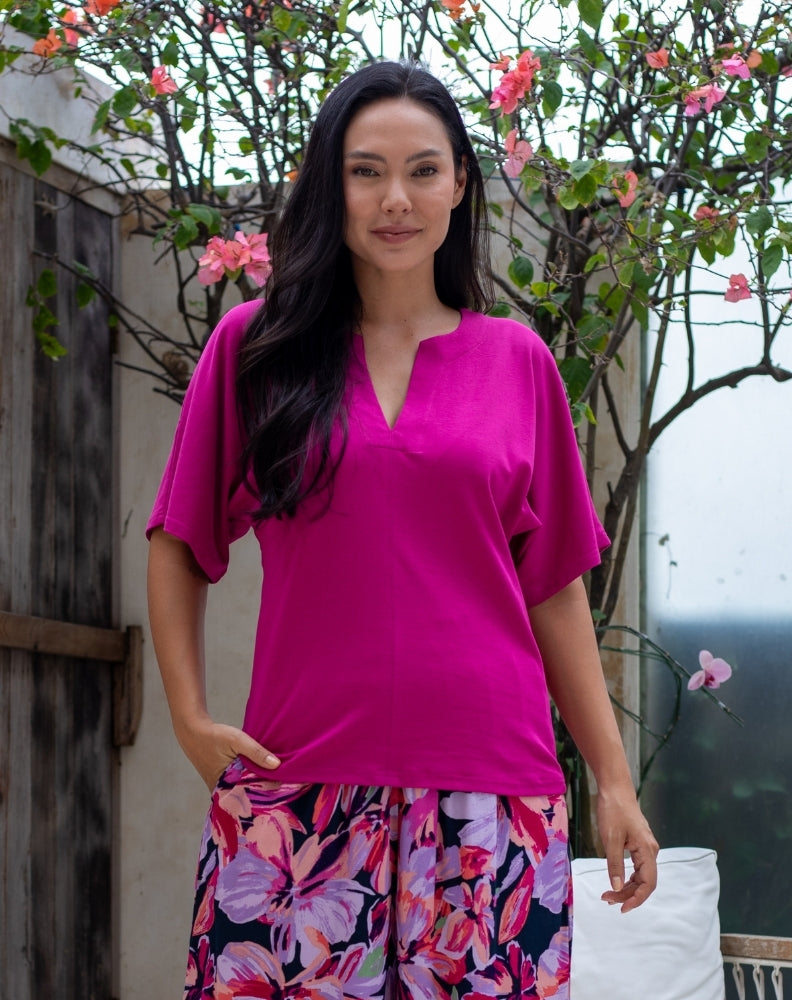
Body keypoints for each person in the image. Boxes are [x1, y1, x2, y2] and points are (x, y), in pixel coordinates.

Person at [147, 60, 658, 1000]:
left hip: (493, 798)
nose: (395, 199)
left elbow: (553, 590)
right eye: (365, 171)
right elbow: (180, 540)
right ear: (329, 184)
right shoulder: (255, 351)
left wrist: (614, 781)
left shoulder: (519, 363)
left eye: (423, 170)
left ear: (460, 183)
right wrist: (189, 717)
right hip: (297, 788)